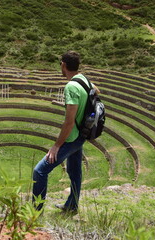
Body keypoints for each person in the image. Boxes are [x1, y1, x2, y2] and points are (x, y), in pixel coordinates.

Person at [32, 50, 99, 215]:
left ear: (63, 65)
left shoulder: (71, 87)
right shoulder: (83, 79)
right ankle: (72, 206)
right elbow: (97, 92)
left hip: (72, 138)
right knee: (75, 171)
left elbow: (69, 122)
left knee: (39, 171)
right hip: (83, 133)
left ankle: (35, 212)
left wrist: (56, 146)